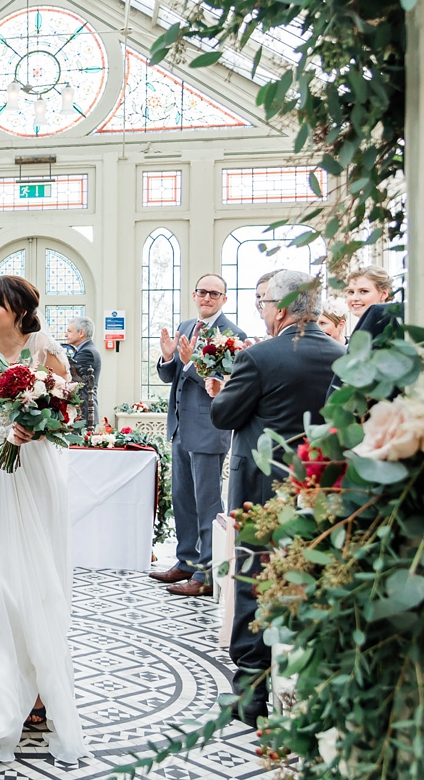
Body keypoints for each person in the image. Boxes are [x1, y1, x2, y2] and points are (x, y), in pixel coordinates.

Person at [206, 269, 345, 727]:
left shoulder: (261, 356)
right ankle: (306, 691)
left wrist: (221, 391)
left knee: (253, 579)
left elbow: (225, 415)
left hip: (260, 491)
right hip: (318, 490)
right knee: (307, 579)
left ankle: (249, 694)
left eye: (265, 305)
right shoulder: (342, 355)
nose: (262, 313)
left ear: (281, 309)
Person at [0, 276, 88, 766]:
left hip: (36, 469)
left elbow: (71, 414)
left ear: (19, 309)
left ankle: (37, 688)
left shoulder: (46, 349)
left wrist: (35, 430)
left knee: (36, 579)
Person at [151, 273, 245, 597]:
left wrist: (191, 365)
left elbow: (222, 384)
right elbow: (171, 375)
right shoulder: (186, 326)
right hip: (179, 427)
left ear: (224, 298)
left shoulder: (233, 335)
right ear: (194, 295)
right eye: (202, 292)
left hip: (209, 429)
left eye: (214, 293)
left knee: (207, 503)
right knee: (182, 500)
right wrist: (167, 357)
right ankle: (186, 560)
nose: (207, 298)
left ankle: (205, 574)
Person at [65, 317, 101, 429]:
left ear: (81, 333)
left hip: (85, 412)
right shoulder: (85, 349)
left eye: (69, 331)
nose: (66, 335)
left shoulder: (87, 352)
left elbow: (71, 376)